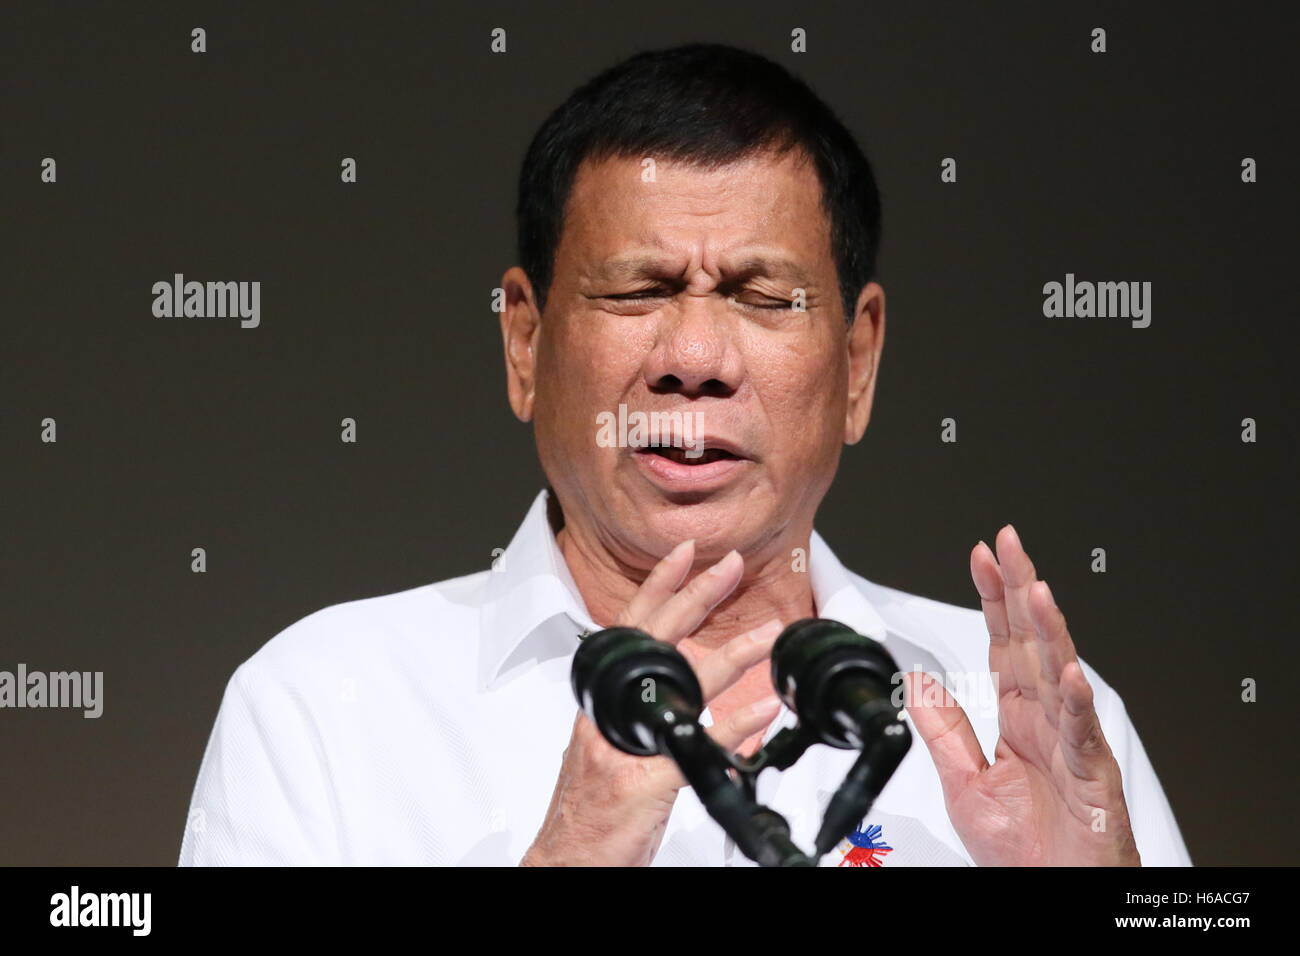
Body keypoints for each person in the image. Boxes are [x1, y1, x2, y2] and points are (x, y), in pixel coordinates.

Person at [179, 43, 1190, 867]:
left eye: (760, 296)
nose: (694, 360)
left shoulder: (1033, 720)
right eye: (636, 290)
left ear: (858, 359)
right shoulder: (323, 705)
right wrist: (570, 852)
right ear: (524, 342)